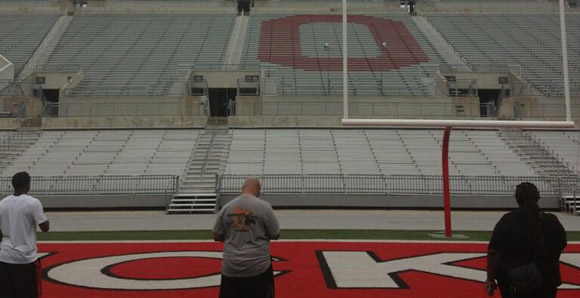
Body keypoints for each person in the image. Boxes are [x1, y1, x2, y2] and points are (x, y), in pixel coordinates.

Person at [486, 182, 567, 298]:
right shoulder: (551, 221)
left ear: (517, 199)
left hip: (514, 282)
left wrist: (490, 278)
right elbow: (561, 243)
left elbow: (494, 251)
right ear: (537, 197)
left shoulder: (508, 221)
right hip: (546, 280)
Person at [213, 178, 280, 298]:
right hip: (258, 266)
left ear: (242, 188)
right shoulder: (264, 207)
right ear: (258, 189)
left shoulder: (227, 207)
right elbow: (275, 233)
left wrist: (235, 235)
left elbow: (217, 235)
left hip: (231, 266)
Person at [0, 171, 50, 298]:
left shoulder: (2, 203)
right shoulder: (33, 203)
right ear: (28, 185)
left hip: (4, 257)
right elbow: (45, 227)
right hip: (25, 259)